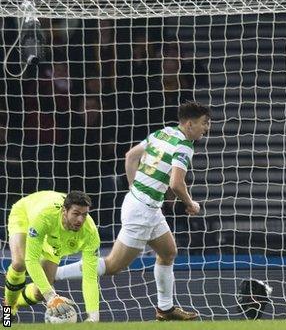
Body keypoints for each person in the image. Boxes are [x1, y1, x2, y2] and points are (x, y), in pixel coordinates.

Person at [55, 101, 210, 321]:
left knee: (168, 252)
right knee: (112, 266)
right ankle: (53, 273)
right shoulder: (184, 145)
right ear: (190, 123)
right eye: (204, 123)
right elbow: (176, 184)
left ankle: (165, 309)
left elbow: (130, 157)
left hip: (142, 204)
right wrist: (190, 203)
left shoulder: (163, 133)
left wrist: (133, 187)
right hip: (142, 211)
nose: (206, 128)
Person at [3, 190, 100, 322]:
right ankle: (8, 309)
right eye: (76, 214)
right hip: (25, 214)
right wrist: (51, 296)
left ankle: (16, 302)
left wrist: (93, 318)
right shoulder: (45, 217)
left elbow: (90, 277)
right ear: (64, 211)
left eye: (84, 214)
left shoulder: (90, 233)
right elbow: (31, 259)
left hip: (53, 239)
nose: (80, 220)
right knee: (20, 263)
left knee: (39, 292)